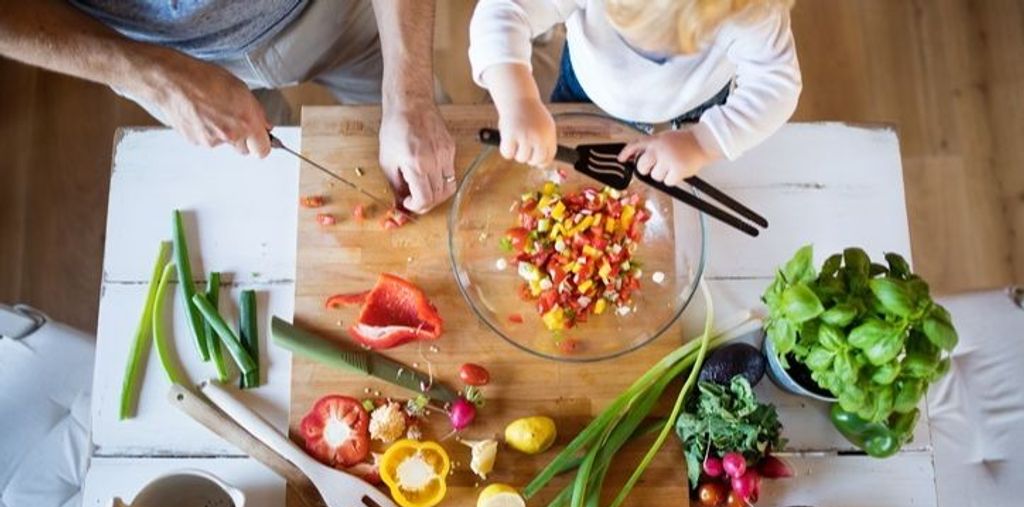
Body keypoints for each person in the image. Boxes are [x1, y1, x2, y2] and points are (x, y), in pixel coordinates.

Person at [0, 0, 455, 214]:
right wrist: (154, 76)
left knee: (427, 157)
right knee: (276, 208)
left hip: (329, 12)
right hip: (159, 58)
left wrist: (410, 97)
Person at [468, 0, 802, 188]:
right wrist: (519, 101)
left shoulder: (752, 9)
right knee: (569, 180)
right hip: (588, 89)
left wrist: (703, 143)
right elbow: (504, 9)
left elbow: (776, 84)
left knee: (681, 172)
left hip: (695, 105)